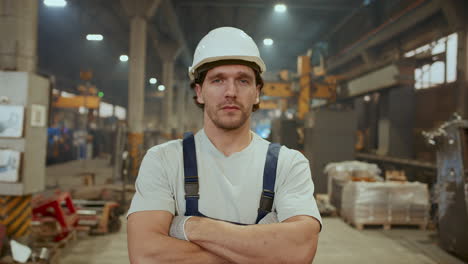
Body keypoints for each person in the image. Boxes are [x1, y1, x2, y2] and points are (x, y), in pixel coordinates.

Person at [127, 27, 322, 264]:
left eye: (242, 80)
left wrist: (190, 227)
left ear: (257, 92)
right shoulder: (164, 160)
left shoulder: (289, 164)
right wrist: (261, 252)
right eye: (218, 80)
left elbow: (298, 252)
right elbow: (146, 255)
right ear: (199, 92)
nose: (230, 92)